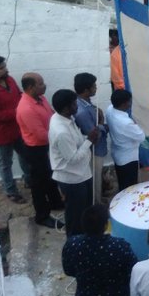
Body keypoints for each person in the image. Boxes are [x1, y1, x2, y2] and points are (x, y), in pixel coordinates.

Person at [16, 73, 65, 228]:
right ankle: (42, 215)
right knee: (39, 183)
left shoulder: (40, 98)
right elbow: (41, 135)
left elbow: (51, 115)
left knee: (51, 176)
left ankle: (55, 202)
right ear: (30, 87)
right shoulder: (26, 108)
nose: (44, 85)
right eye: (41, 83)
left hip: (46, 145)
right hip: (35, 149)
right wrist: (61, 140)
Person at [48, 89, 98, 236]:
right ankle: (75, 243)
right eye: (74, 103)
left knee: (86, 209)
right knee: (76, 215)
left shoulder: (65, 118)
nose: (77, 106)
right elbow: (73, 158)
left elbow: (76, 140)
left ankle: (87, 236)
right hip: (72, 178)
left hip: (82, 173)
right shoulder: (61, 131)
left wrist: (87, 138)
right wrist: (89, 140)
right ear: (65, 108)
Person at [0, 55, 30, 203]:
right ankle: (11, 191)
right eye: (1, 68)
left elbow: (19, 95)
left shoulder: (9, 80)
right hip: (0, 135)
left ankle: (29, 179)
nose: (5, 69)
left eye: (4, 66)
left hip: (17, 129)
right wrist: (16, 112)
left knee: (26, 155)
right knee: (5, 164)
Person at [62, 204, 137, 296]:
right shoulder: (120, 247)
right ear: (106, 226)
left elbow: (68, 270)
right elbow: (134, 272)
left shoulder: (72, 245)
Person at [73, 73, 108, 203]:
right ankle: (97, 203)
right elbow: (94, 135)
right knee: (95, 178)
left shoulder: (85, 103)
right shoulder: (81, 111)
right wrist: (103, 125)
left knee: (96, 177)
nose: (96, 88)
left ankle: (97, 198)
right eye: (94, 86)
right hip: (94, 150)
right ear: (86, 90)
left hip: (96, 148)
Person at [105, 90, 145, 191]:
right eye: (130, 101)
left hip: (118, 153)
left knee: (123, 182)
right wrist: (135, 124)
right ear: (125, 104)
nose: (131, 103)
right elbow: (141, 137)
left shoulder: (110, 109)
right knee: (129, 187)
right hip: (128, 158)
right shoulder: (126, 123)